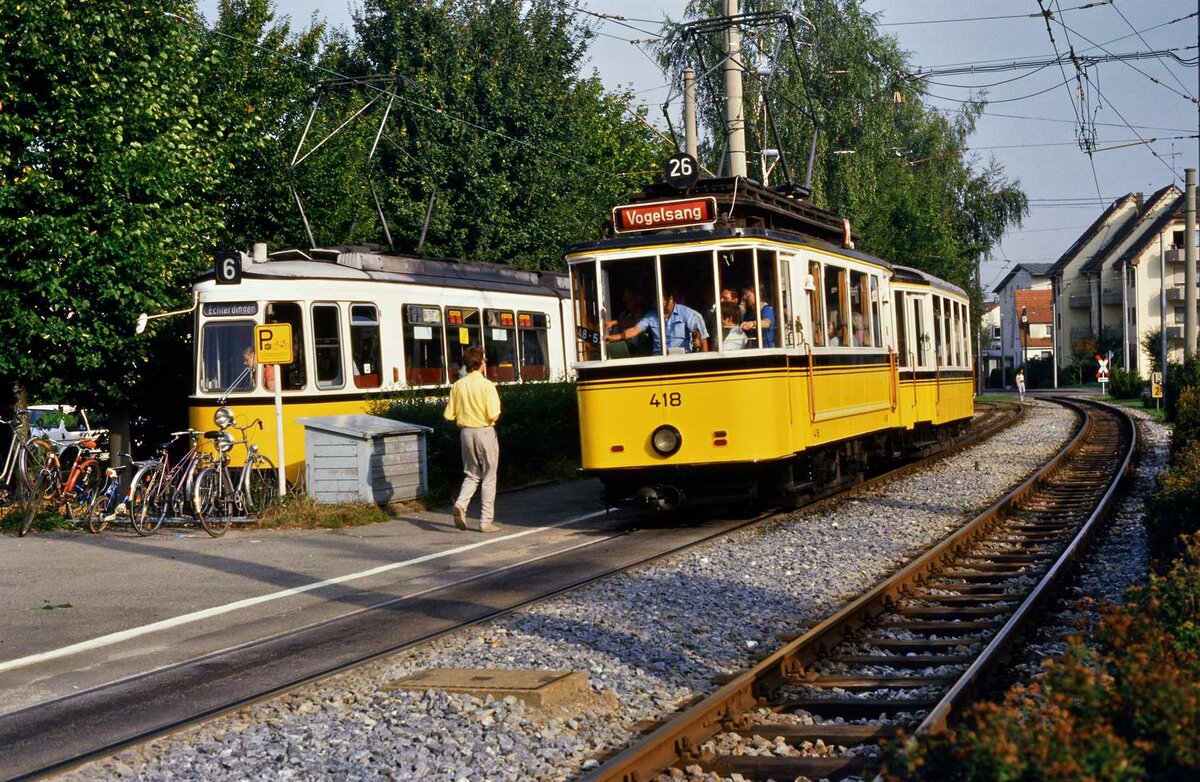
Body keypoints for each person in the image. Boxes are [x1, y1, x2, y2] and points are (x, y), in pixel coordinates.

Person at [443, 345, 502, 533]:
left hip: (466, 433)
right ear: (481, 362)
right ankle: (485, 522)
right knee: (489, 478)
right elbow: (493, 415)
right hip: (484, 432)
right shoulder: (487, 385)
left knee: (471, 474)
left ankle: (461, 504)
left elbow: (448, 415)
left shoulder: (458, 385)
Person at [606, 290, 709, 354]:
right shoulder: (651, 315)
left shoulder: (687, 313)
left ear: (671, 299)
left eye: (662, 303)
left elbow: (701, 337)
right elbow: (634, 330)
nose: (659, 306)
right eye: (656, 303)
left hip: (681, 359)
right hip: (658, 360)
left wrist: (705, 367)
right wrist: (611, 338)